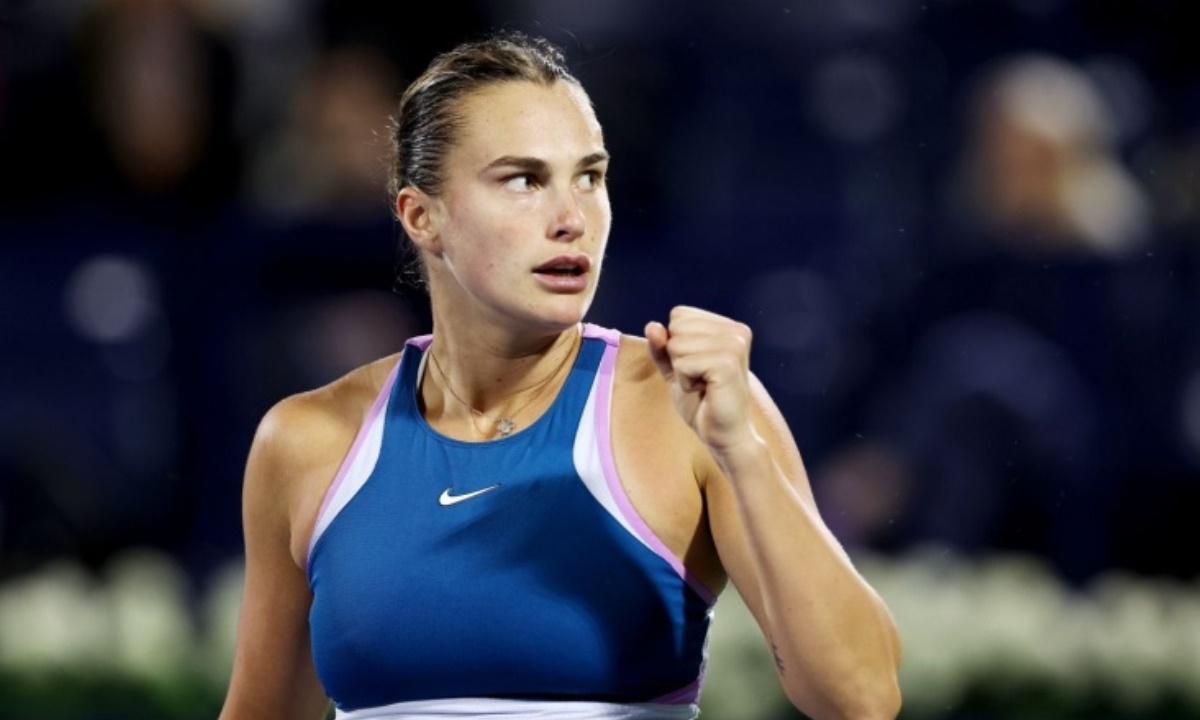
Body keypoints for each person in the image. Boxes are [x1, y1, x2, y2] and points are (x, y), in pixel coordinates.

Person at [218, 30, 901, 720]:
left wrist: (743, 455)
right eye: (524, 180)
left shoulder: (689, 408)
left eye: (590, 177)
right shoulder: (306, 441)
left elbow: (863, 698)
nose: (572, 218)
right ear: (422, 217)